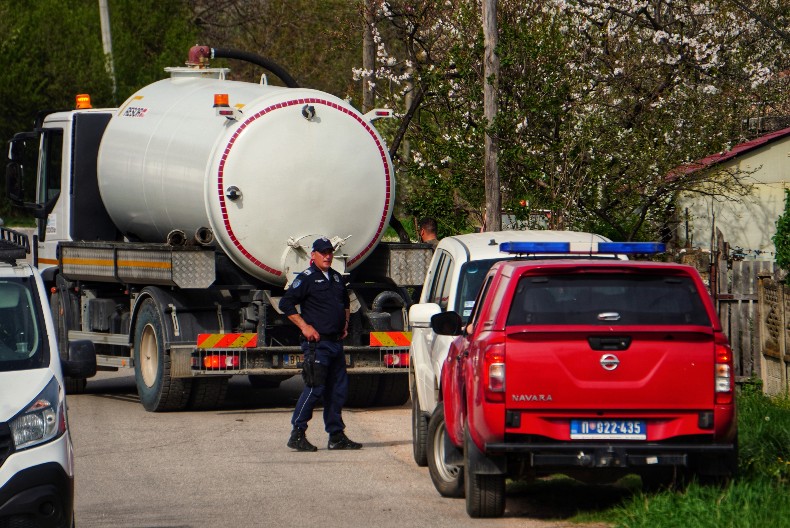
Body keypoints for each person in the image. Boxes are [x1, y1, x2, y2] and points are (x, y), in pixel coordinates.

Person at [280, 237, 362, 452]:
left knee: (337, 391)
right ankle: (297, 434)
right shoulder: (307, 278)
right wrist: (304, 327)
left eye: (329, 252)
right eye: (322, 252)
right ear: (313, 255)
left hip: (335, 344)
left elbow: (345, 303)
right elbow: (285, 303)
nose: (327, 256)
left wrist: (345, 323)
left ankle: (336, 436)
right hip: (318, 345)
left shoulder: (335, 278)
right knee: (315, 388)